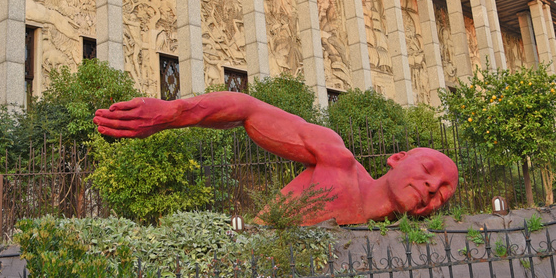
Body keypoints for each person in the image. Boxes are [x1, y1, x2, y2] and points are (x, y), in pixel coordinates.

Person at [94, 91, 458, 225]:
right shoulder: (337, 161)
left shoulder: (415, 241)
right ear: (396, 158)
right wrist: (173, 113)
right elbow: (250, 110)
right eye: (429, 171)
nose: (431, 187)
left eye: (443, 192)